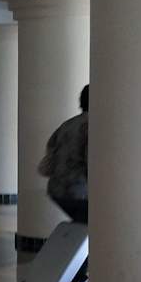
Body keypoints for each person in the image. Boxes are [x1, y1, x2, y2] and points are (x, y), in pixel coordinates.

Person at [39, 84, 88, 224]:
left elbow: (50, 151)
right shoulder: (93, 126)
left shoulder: (67, 125)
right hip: (79, 191)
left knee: (81, 225)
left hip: (57, 190)